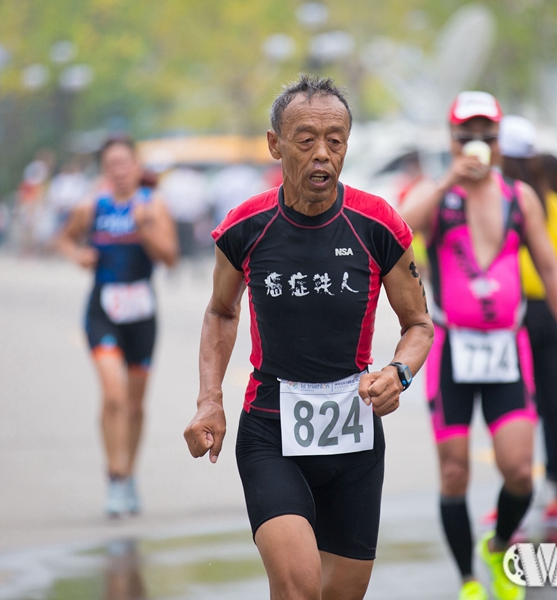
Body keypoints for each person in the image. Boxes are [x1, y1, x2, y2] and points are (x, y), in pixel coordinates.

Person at [184, 74, 433, 600]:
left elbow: (419, 324)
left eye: (335, 140)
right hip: (271, 433)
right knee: (298, 587)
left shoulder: (378, 225)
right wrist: (211, 399)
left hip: (355, 437)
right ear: (275, 144)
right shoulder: (245, 228)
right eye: (306, 140)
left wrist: (399, 372)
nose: (322, 153)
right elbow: (220, 312)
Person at [401, 93, 557, 600]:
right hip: (452, 351)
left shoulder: (519, 197)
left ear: (500, 142)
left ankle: (500, 547)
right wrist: (448, 181)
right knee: (456, 470)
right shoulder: (441, 195)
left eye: (486, 136)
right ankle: (467, 580)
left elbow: (550, 267)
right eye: (467, 136)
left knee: (520, 470)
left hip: (508, 348)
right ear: (451, 140)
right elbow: (398, 229)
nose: (477, 145)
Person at [57, 136, 179, 517]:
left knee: (136, 405)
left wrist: (145, 231)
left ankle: (129, 475)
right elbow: (64, 237)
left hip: (141, 312)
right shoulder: (91, 206)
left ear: (136, 165)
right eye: (112, 164)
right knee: (114, 397)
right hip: (103, 310)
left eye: (125, 162)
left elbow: (171, 258)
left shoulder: (152, 205)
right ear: (104, 169)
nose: (119, 170)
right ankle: (115, 477)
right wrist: (78, 254)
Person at [499, 117, 557, 527]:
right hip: (551, 311)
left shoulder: (508, 199)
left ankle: (513, 499)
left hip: (516, 313)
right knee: (553, 405)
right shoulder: (553, 201)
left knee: (515, 408)